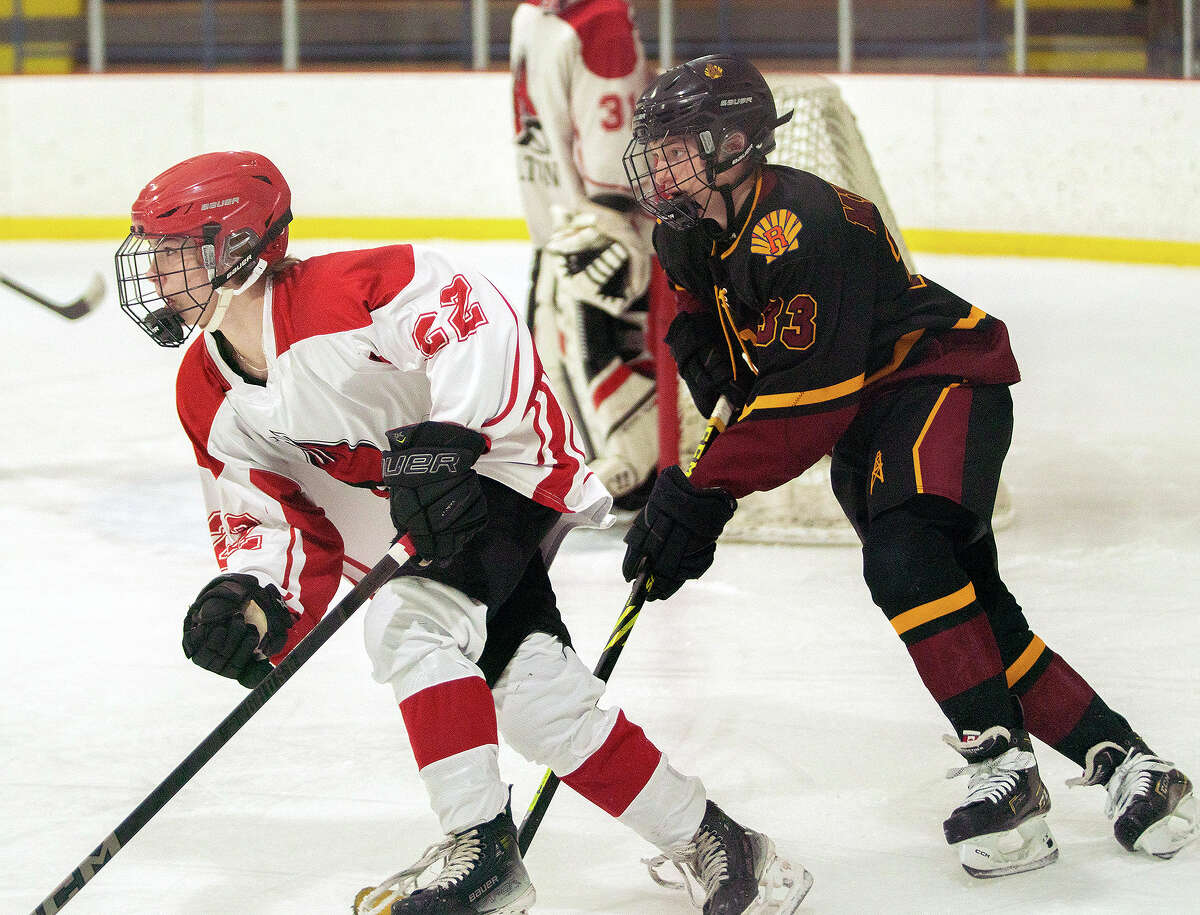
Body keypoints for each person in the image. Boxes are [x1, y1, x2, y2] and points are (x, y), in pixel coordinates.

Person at [114, 150, 813, 915]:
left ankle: (481, 851)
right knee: (539, 700)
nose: (154, 272)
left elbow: (470, 309)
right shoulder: (204, 388)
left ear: (238, 248)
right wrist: (251, 601)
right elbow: (267, 516)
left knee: (408, 622)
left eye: (174, 250)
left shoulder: (341, 296)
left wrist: (449, 435)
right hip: (420, 517)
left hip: (499, 468)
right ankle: (723, 841)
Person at [620, 54, 1199, 879]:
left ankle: (1005, 769)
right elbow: (706, 331)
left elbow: (806, 411)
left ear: (737, 140)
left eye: (678, 144)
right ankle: (1134, 764)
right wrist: (715, 374)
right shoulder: (684, 231)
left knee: (906, 559)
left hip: (937, 384)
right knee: (971, 611)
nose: (660, 162)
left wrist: (700, 496)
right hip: (871, 414)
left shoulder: (808, 223)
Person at [510, 0, 661, 508]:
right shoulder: (535, 18)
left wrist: (606, 227)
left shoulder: (602, 22)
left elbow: (618, 168)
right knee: (547, 354)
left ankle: (638, 466)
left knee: (585, 332)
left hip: (597, 226)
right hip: (559, 224)